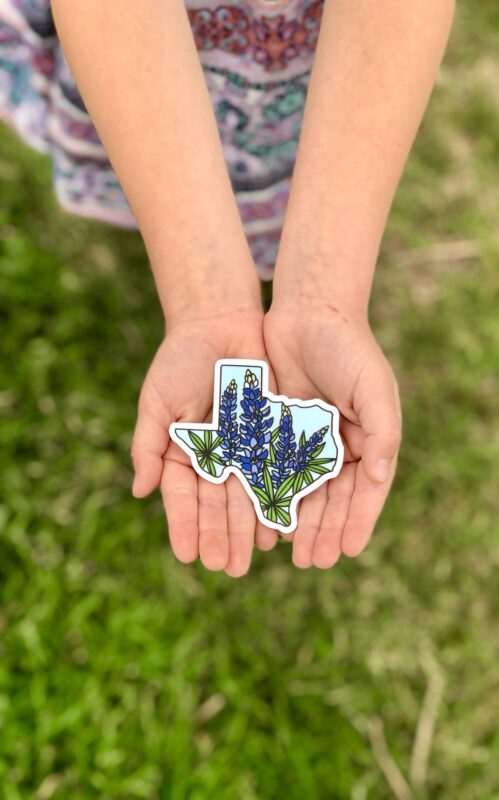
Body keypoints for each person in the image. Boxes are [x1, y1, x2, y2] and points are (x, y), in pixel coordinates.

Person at [0, 0, 455, 575]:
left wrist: (325, 290)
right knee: (158, 178)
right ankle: (186, 237)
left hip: (323, 60)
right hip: (129, 54)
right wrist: (201, 293)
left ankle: (270, 252)